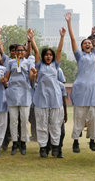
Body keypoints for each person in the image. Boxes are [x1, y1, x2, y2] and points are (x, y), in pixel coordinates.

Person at [65, 10, 95, 153]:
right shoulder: (79, 56)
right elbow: (73, 39)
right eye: (85, 43)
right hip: (81, 90)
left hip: (94, 90)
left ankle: (92, 140)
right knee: (79, 117)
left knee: (94, 117)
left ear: (92, 46)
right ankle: (75, 141)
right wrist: (69, 23)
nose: (88, 44)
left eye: (89, 43)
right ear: (82, 47)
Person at [29, 28, 65, 158]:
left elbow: (60, 50)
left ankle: (55, 147)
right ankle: (43, 148)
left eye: (50, 54)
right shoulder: (39, 66)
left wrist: (62, 37)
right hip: (41, 99)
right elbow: (36, 51)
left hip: (55, 99)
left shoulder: (56, 66)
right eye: (46, 54)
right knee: (42, 124)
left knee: (55, 124)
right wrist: (32, 39)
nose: (48, 56)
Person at [4, 39, 34, 156]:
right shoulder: (10, 62)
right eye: (18, 50)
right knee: (13, 120)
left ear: (25, 51)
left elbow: (31, 76)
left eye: (22, 50)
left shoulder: (28, 62)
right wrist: (4, 81)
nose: (20, 52)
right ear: (15, 52)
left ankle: (23, 143)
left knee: (24, 120)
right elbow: (7, 76)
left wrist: (34, 74)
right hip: (12, 93)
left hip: (25, 93)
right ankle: (15, 143)